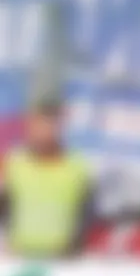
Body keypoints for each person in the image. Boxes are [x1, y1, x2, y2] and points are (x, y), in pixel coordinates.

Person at [0, 99, 95, 258]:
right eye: (38, 126)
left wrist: (77, 245)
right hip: (18, 253)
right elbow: (4, 206)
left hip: (63, 256)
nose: (44, 132)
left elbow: (87, 212)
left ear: (60, 127)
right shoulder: (13, 162)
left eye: (50, 126)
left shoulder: (77, 166)